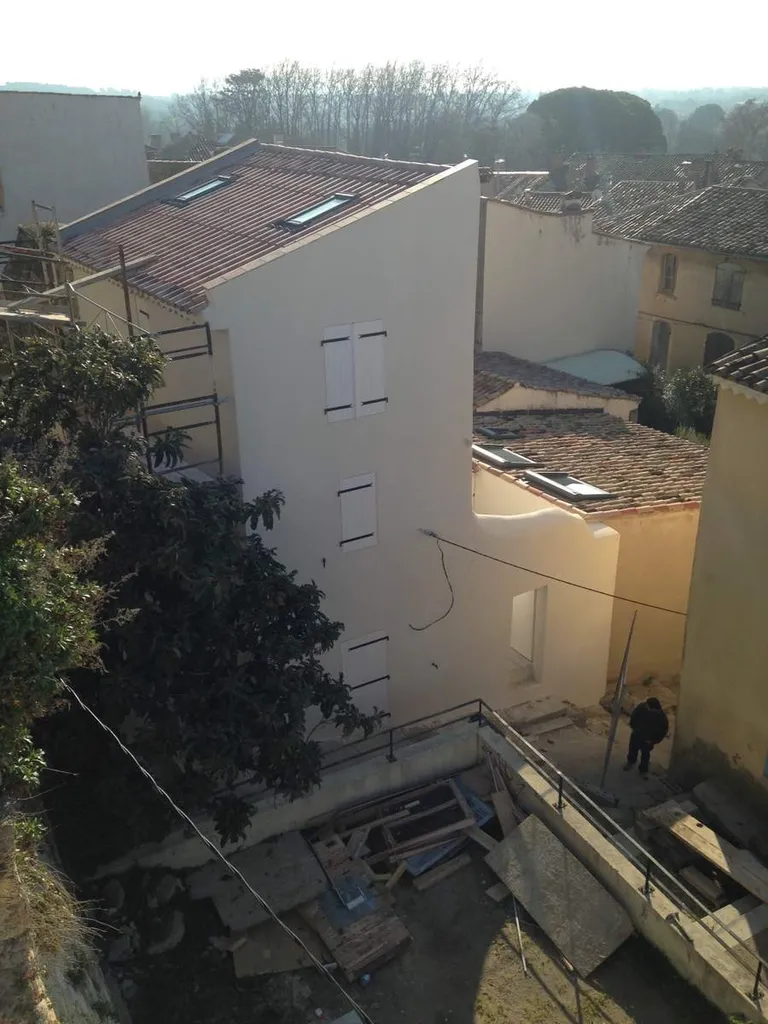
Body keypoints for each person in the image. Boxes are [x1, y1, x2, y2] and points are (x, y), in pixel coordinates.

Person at [623, 697, 669, 776]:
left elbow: (663, 732)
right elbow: (634, 715)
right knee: (632, 750)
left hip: (648, 739)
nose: (646, 706)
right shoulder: (642, 707)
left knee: (645, 755)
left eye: (648, 706)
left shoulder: (662, 718)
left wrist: (653, 741)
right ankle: (630, 762)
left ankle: (643, 770)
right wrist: (633, 727)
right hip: (637, 734)